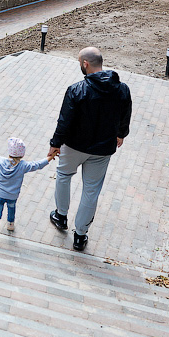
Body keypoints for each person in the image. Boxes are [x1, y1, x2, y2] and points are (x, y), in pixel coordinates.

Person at [48, 46, 132, 252]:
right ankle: (80, 235)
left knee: (64, 175)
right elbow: (125, 115)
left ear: (85, 64)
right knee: (91, 190)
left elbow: (64, 121)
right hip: (103, 149)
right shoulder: (122, 90)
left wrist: (55, 144)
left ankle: (61, 215)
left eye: (79, 63)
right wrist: (121, 135)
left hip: (74, 146)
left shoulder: (76, 90)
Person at [0, 137, 51, 247]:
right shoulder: (23, 166)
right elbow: (37, 165)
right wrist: (50, 157)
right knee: (11, 207)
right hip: (12, 196)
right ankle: (10, 224)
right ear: (22, 154)